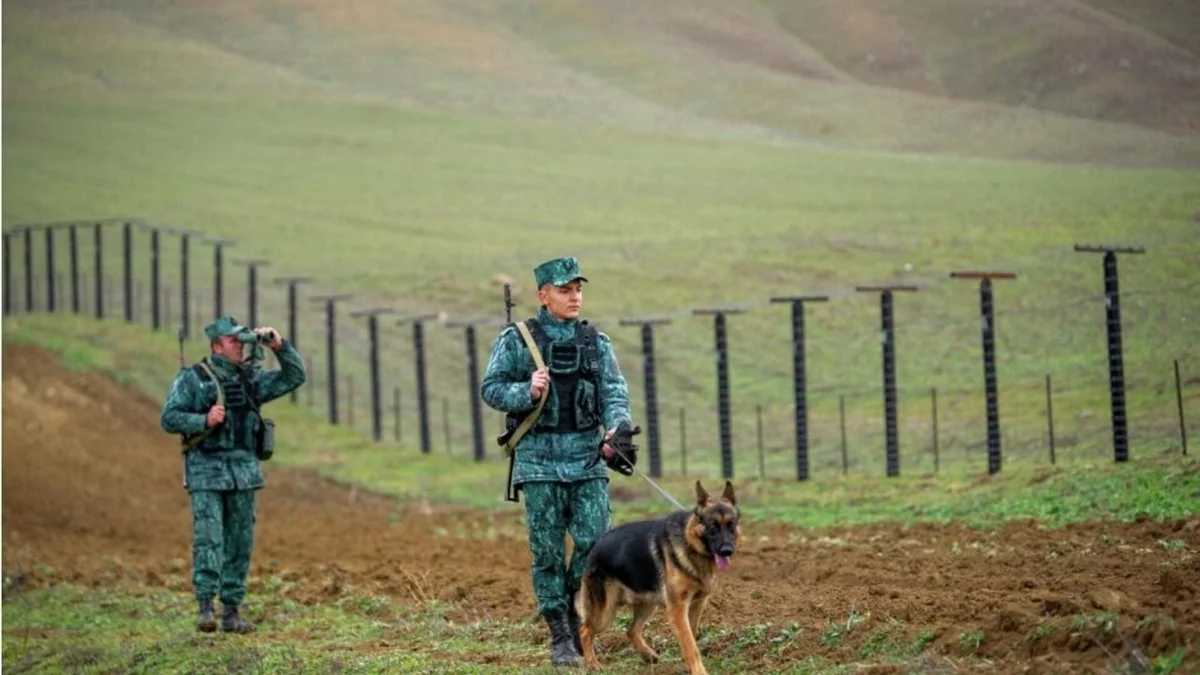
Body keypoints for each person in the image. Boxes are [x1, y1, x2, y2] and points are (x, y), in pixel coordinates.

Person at [480, 256, 635, 667]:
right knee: (546, 551)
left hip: (586, 459)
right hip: (538, 462)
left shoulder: (595, 342)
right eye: (565, 290)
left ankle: (577, 612)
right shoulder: (517, 340)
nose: (575, 296)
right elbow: (491, 389)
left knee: (595, 544)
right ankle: (562, 632)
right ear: (543, 295)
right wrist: (526, 391)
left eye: (578, 289)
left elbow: (615, 393)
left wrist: (616, 431)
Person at [160, 315, 306, 633]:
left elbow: (295, 377)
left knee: (240, 542)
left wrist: (278, 345)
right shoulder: (194, 379)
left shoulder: (252, 379)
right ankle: (205, 608)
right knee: (209, 539)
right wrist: (203, 421)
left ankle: (230, 611)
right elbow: (169, 417)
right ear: (216, 346)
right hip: (206, 470)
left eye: (241, 340)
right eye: (232, 341)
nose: (239, 345)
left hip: (244, 471)